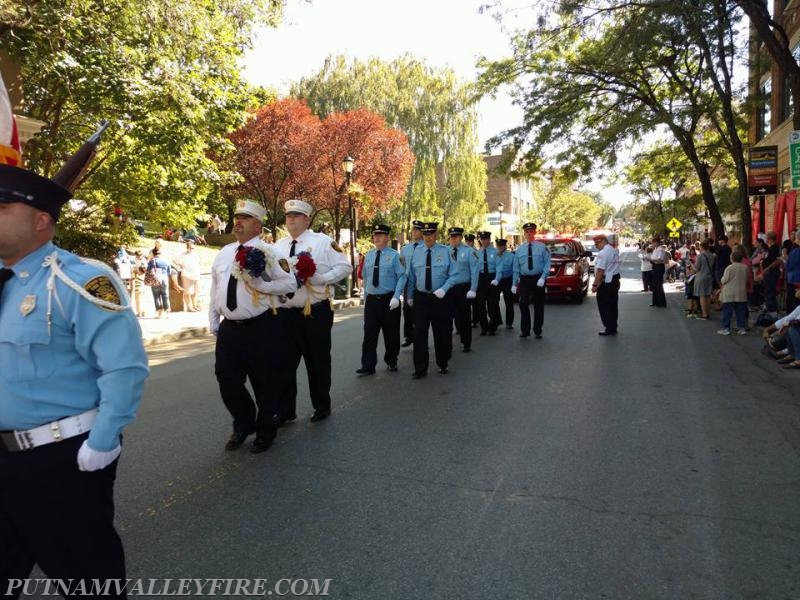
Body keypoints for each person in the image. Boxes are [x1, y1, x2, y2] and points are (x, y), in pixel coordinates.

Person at [0, 164, 149, 596]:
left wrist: (103, 441)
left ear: (40, 220)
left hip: (59, 461)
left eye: (2, 208)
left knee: (88, 580)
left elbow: (124, 367)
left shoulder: (81, 280)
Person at [209, 200, 295, 453]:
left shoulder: (270, 253)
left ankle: (266, 429)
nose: (239, 221)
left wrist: (264, 287)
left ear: (257, 226)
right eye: (237, 216)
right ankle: (244, 422)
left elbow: (289, 283)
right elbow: (215, 288)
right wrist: (214, 318)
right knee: (226, 378)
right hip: (229, 328)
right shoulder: (224, 253)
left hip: (260, 326)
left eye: (245, 218)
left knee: (264, 381)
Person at [273, 199, 352, 423]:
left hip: (314, 311)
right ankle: (286, 410)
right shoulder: (278, 246)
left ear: (307, 219)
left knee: (317, 361)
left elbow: (345, 266)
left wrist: (322, 279)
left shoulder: (323, 242)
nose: (291, 219)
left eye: (296, 216)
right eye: (288, 216)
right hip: (286, 312)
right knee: (285, 363)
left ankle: (321, 405)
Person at [405, 222, 461, 377]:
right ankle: (420, 369)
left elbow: (454, 274)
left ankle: (443, 363)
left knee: (441, 333)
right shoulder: (416, 252)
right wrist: (410, 296)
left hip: (440, 298)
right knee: (419, 334)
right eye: (425, 234)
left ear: (436, 235)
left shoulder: (446, 251)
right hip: (421, 298)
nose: (427, 237)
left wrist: (444, 288)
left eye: (430, 234)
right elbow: (411, 276)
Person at [356, 224, 406, 375]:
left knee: (391, 333)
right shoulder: (369, 255)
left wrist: (397, 296)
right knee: (369, 333)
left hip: (389, 299)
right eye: (375, 235)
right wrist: (365, 297)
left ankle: (392, 360)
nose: (376, 237)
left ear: (387, 238)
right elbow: (365, 276)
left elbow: (402, 276)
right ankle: (368, 365)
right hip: (372, 300)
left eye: (380, 235)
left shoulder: (395, 256)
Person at [511, 222, 551, 339]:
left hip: (538, 278)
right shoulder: (520, 249)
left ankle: (537, 329)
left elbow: (547, 262)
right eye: (527, 232)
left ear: (535, 232)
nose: (529, 234)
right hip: (525, 279)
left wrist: (543, 277)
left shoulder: (542, 247)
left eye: (531, 231)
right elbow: (516, 268)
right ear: (524, 234)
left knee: (538, 305)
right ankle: (525, 330)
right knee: (523, 303)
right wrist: (514, 284)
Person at [446, 226, 478, 352]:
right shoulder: (445, 251)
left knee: (464, 316)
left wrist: (473, 289)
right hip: (449, 288)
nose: (453, 239)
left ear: (460, 238)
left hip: (463, 288)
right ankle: (447, 343)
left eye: (456, 236)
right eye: (451, 237)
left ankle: (466, 342)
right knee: (448, 317)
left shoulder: (469, 251)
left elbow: (475, 272)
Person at [591, 233, 621, 335]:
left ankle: (609, 327)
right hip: (614, 280)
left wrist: (595, 284)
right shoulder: (614, 250)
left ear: (603, 241)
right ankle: (613, 326)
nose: (596, 246)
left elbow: (600, 270)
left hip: (606, 282)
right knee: (613, 305)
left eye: (597, 244)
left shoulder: (603, 253)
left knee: (604, 305)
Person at [401, 221, 423, 347]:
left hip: (420, 282)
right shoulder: (405, 249)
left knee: (419, 312)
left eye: (417, 230)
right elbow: (402, 266)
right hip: (408, 282)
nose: (414, 232)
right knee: (407, 310)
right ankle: (408, 336)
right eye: (413, 230)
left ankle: (420, 336)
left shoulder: (425, 247)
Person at [716, 250, 750, 335]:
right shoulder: (745, 267)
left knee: (727, 311)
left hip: (730, 293)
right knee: (740, 312)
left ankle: (726, 328)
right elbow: (747, 278)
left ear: (732, 258)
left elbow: (724, 280)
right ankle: (741, 328)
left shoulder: (729, 268)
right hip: (741, 292)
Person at [476, 231, 501, 335]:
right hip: (481, 279)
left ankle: (493, 326)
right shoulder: (477, 253)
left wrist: (497, 279)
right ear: (480, 240)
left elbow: (499, 267)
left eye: (486, 239)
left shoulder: (496, 252)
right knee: (480, 305)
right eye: (482, 239)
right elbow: (475, 268)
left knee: (492, 305)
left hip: (492, 278)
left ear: (489, 240)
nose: (484, 241)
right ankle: (484, 327)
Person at [146, 247, 178, 318]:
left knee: (156, 296)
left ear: (153, 254)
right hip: (164, 279)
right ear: (160, 254)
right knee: (165, 295)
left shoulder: (152, 261)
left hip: (155, 280)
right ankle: (167, 312)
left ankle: (159, 313)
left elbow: (148, 270)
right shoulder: (166, 261)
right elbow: (169, 272)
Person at [494, 238, 515, 329]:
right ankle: (497, 320)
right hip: (496, 280)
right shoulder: (494, 255)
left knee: (509, 302)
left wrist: (514, 283)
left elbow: (514, 270)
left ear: (505, 246)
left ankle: (509, 322)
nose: (500, 247)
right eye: (498, 246)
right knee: (494, 301)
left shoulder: (511, 256)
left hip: (507, 280)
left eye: (502, 246)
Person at [175, 240, 201, 311]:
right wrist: (181, 266)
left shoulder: (195, 255)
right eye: (190, 248)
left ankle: (194, 306)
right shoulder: (182, 255)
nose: (192, 249)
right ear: (187, 248)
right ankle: (189, 307)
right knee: (187, 292)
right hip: (186, 275)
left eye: (193, 248)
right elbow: (176, 261)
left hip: (195, 275)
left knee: (195, 292)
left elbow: (198, 263)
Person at [694, 239, 716, 320]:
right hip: (709, 276)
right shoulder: (712, 255)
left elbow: (697, 268)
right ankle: (708, 313)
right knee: (707, 295)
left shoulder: (700, 256)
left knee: (702, 296)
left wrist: (692, 265)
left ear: (702, 247)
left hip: (701, 276)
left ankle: (704, 314)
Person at [761, 231, 782, 315]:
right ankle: (771, 310)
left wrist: (768, 268)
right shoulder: (770, 248)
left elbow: (777, 261)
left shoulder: (775, 248)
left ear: (769, 239)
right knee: (768, 292)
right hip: (768, 272)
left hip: (772, 273)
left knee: (770, 292)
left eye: (766, 237)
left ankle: (773, 312)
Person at [648, 236, 668, 307]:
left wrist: (651, 260)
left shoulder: (660, 249)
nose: (652, 244)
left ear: (656, 242)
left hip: (658, 267)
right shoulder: (656, 249)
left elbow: (659, 259)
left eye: (653, 243)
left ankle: (661, 302)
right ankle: (655, 301)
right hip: (655, 266)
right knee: (654, 285)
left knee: (658, 285)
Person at [131, 249, 148, 317]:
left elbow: (140, 270)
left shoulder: (141, 262)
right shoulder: (144, 261)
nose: (138, 257)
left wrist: (135, 270)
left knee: (138, 296)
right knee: (141, 296)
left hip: (139, 280)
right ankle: (142, 311)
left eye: (138, 256)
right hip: (141, 280)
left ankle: (140, 312)